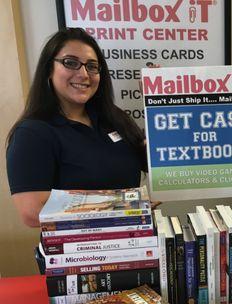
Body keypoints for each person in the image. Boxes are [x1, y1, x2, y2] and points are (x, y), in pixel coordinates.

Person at [6, 28, 147, 228]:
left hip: (134, 243)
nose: (83, 74)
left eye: (92, 66)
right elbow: (33, 212)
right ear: (49, 69)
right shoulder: (32, 133)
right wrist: (127, 205)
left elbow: (156, 164)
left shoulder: (115, 119)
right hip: (80, 253)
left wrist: (159, 104)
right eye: (70, 63)